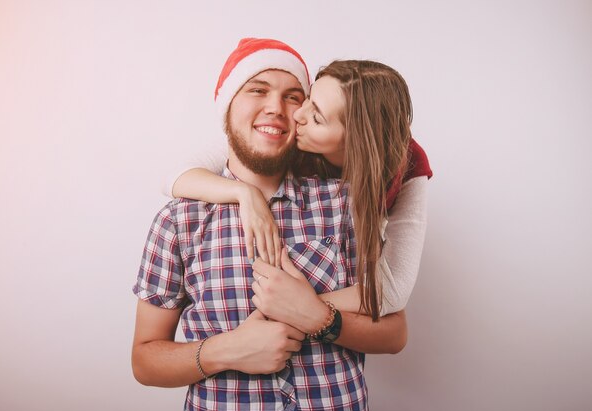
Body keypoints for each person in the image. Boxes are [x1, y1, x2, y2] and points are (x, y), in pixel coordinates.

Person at [132, 38, 407, 411]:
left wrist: (318, 318)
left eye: (294, 97)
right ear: (228, 104)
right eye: (257, 90)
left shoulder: (345, 203)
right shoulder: (178, 222)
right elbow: (145, 361)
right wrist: (227, 350)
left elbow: (394, 332)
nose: (275, 108)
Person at [167, 55, 433, 321]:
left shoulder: (409, 166)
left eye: (316, 117)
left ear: (354, 140)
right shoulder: (286, 136)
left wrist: (299, 307)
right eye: (308, 98)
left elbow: (392, 291)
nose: (296, 115)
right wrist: (245, 194)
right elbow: (175, 175)